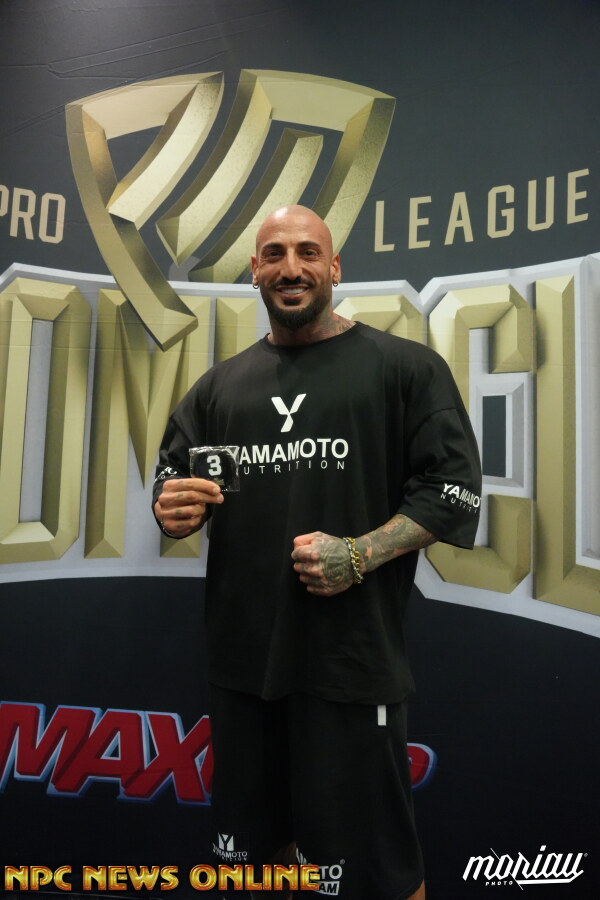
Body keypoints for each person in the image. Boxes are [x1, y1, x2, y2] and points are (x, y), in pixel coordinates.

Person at [153, 205, 481, 899]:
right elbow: (171, 480)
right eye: (274, 254)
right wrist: (170, 507)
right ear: (255, 271)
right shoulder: (218, 388)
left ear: (334, 267)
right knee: (257, 866)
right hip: (244, 669)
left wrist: (359, 552)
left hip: (350, 667)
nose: (291, 267)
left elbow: (453, 491)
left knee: (379, 873)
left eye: (307, 252)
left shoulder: (404, 369)